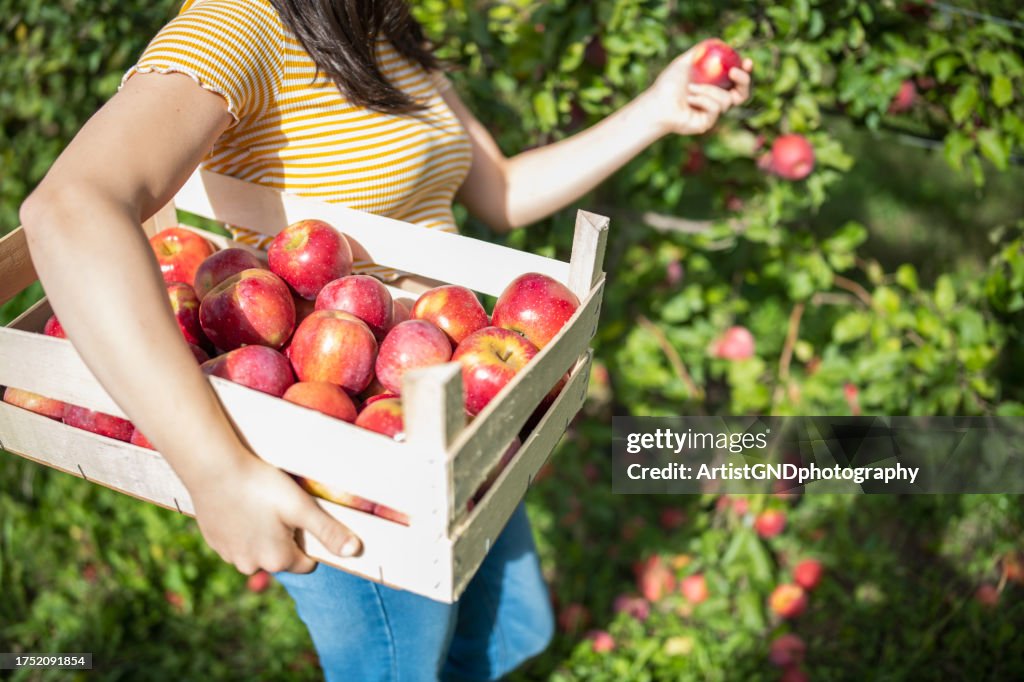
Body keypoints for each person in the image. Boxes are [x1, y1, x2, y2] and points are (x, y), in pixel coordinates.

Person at [19, 1, 752, 679]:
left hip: (461, 403)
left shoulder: (384, 26)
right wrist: (213, 470)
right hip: (346, 443)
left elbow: (500, 189)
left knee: (511, 629)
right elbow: (70, 207)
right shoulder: (239, 21)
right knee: (397, 663)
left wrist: (658, 110)